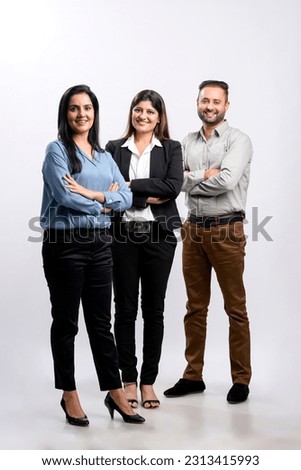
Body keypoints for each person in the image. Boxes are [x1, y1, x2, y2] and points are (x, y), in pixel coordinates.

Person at [40, 84, 145, 426]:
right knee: (67, 322)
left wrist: (92, 194)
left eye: (87, 108)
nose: (81, 114)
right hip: (64, 244)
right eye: (74, 108)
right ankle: (68, 393)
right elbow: (65, 196)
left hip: (100, 244)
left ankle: (114, 390)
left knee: (102, 323)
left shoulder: (104, 156)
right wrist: (104, 198)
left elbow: (126, 197)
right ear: (65, 113)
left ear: (94, 113)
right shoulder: (56, 150)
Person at [164, 80, 253, 404]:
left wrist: (190, 179)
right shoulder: (186, 141)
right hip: (193, 231)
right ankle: (193, 376)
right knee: (195, 308)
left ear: (226, 105)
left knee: (235, 309)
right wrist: (204, 175)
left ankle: (241, 380)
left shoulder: (237, 140)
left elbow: (228, 180)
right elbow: (174, 182)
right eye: (205, 100)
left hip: (227, 230)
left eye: (216, 101)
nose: (210, 106)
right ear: (198, 102)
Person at [105, 89, 183, 409]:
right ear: (131, 113)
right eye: (138, 110)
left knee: (154, 311)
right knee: (125, 311)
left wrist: (128, 188)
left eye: (150, 112)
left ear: (159, 117)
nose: (143, 116)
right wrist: (147, 192)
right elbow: (107, 192)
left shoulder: (171, 148)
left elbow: (172, 187)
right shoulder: (113, 149)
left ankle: (149, 382)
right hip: (121, 236)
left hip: (159, 236)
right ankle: (129, 381)